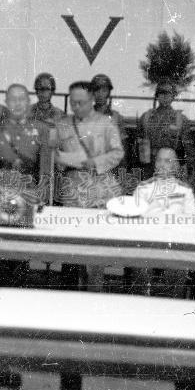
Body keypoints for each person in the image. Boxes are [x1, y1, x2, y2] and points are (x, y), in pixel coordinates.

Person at [55, 81, 124, 292]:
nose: (76, 107)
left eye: (81, 103)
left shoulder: (106, 123)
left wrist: (96, 162)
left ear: (92, 100)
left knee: (95, 249)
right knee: (70, 247)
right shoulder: (63, 124)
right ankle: (69, 295)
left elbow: (117, 153)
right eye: (73, 102)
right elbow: (54, 153)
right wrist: (60, 160)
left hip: (98, 189)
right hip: (73, 189)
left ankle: (94, 295)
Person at [0, 84, 52, 287]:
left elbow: (45, 167)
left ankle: (17, 289)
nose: (18, 103)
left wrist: (43, 195)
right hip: (0, 188)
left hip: (27, 190)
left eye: (22, 99)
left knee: (21, 249)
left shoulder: (41, 129)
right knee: (0, 246)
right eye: (13, 99)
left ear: (29, 102)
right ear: (6, 102)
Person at [126, 148, 195, 297]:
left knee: (178, 269)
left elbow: (193, 220)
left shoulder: (184, 190)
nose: (162, 164)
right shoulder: (144, 188)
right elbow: (134, 219)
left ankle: (172, 305)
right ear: (154, 164)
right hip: (148, 241)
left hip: (174, 242)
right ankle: (142, 303)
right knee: (140, 266)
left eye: (168, 161)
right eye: (159, 160)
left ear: (176, 166)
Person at [138, 81, 195, 184]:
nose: (165, 96)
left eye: (168, 93)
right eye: (162, 92)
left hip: (172, 167)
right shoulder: (146, 118)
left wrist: (189, 173)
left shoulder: (181, 119)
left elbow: (188, 150)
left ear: (173, 96)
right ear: (157, 95)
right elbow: (137, 147)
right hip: (150, 166)